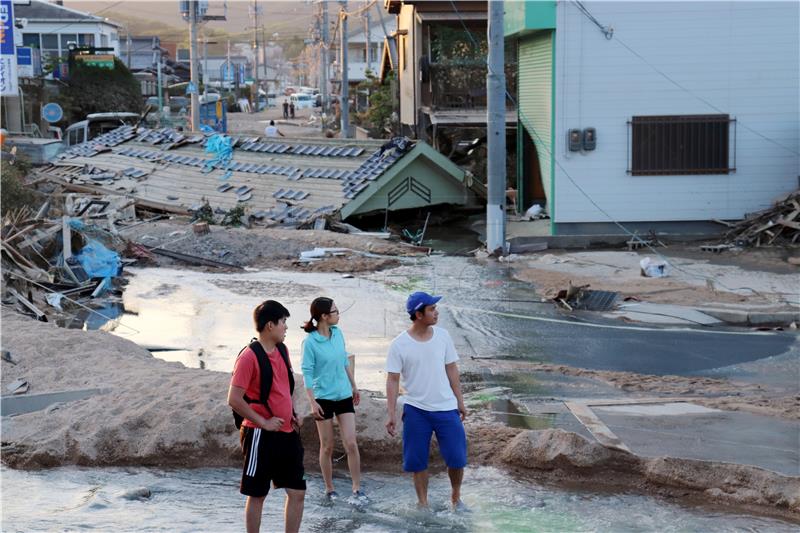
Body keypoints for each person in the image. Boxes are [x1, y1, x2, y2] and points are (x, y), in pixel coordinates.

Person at [385, 292, 468, 512]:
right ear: (418, 314)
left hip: (446, 407)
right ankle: (423, 504)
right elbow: (392, 380)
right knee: (417, 461)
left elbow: (452, 369)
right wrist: (391, 413)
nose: (436, 312)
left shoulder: (443, 336)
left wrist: (460, 401)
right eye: (431, 309)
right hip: (415, 409)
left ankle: (456, 499)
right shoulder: (399, 344)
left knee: (457, 458)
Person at [228, 300, 306, 533]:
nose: (285, 327)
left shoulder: (282, 350)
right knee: (257, 494)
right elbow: (234, 399)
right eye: (283, 322)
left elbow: (284, 387)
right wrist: (263, 422)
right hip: (259, 434)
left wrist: (293, 412)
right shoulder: (249, 357)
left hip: (287, 432)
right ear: (270, 325)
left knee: (297, 492)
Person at [301, 297, 367, 504]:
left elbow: (344, 360)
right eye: (335, 311)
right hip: (323, 399)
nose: (339, 315)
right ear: (324, 316)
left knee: (351, 443)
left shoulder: (338, 334)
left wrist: (354, 386)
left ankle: (357, 489)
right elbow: (307, 373)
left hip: (344, 395)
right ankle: (330, 489)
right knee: (327, 446)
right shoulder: (310, 342)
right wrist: (312, 402)